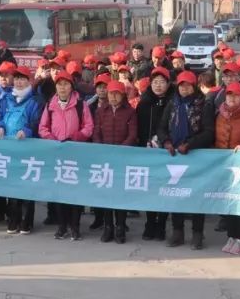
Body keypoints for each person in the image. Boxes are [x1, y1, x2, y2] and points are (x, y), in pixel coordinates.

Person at [158, 71, 215, 249]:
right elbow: (161, 127)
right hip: (175, 156)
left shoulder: (204, 105)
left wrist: (190, 144)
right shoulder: (172, 104)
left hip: (195, 156)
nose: (184, 89)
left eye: (188, 85)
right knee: (176, 194)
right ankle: (177, 232)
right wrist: (166, 141)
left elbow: (209, 133)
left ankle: (197, 234)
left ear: (194, 86)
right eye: (181, 85)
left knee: (197, 195)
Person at [38, 70, 94, 240]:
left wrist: (75, 138)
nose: (62, 88)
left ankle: (75, 226)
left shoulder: (80, 104)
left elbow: (88, 127)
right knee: (60, 192)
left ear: (71, 86)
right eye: (59, 84)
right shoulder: (50, 104)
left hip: (75, 153)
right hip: (57, 154)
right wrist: (52, 139)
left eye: (66, 84)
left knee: (74, 192)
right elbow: (42, 128)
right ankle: (62, 226)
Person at [0, 65, 43, 235]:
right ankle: (13, 220)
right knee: (11, 185)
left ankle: (26, 222)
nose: (19, 82)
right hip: (8, 149)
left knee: (26, 184)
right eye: (17, 78)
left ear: (29, 81)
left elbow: (37, 122)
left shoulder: (35, 101)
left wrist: (27, 131)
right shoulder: (6, 98)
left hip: (27, 149)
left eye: (23, 79)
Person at [214, 82, 240, 254]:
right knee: (228, 201)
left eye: (236, 95)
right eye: (229, 95)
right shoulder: (220, 114)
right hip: (224, 164)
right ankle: (231, 236)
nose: (232, 98)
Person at [92, 80, 137, 243]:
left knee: (120, 195)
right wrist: (101, 149)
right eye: (111, 93)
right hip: (104, 159)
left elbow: (132, 135)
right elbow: (96, 132)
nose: (114, 97)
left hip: (122, 158)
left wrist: (120, 150)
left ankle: (120, 227)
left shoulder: (130, 112)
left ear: (123, 95)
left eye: (117, 94)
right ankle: (108, 226)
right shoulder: (100, 111)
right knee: (106, 195)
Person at [137, 67, 172, 240]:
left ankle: (162, 225)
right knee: (150, 189)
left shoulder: (173, 102)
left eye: (162, 82)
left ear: (168, 84)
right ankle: (150, 223)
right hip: (148, 152)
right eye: (155, 82)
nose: (158, 86)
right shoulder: (144, 102)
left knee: (165, 189)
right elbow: (139, 127)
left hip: (167, 151)